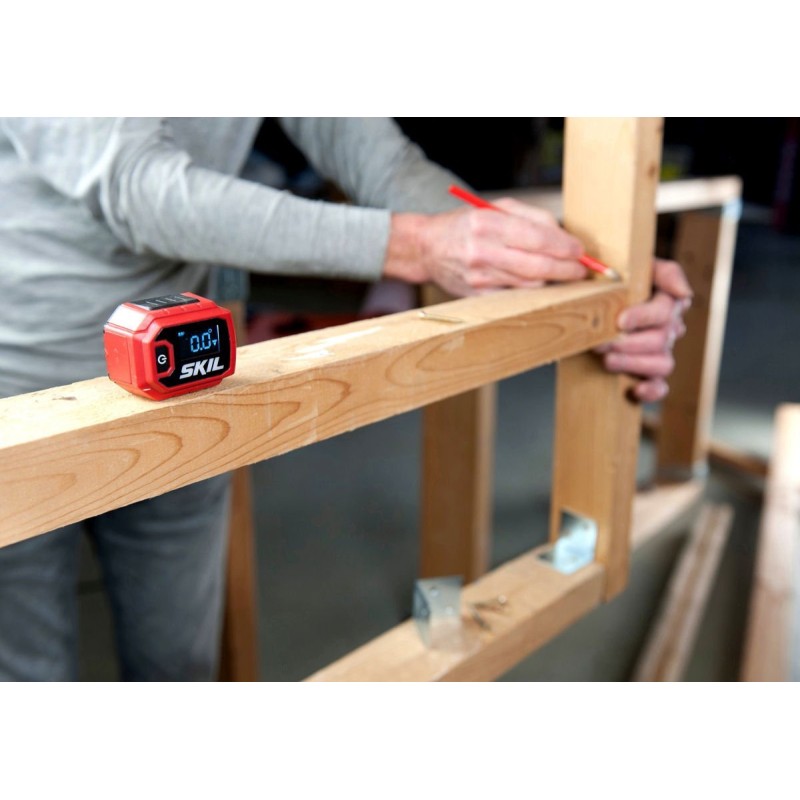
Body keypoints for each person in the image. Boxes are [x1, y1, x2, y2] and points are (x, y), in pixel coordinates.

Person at [0, 118, 691, 681]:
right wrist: (419, 247)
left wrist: (581, 277)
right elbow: (137, 187)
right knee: (31, 676)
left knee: (178, 665)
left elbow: (381, 160)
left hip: (184, 383)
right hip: (17, 387)